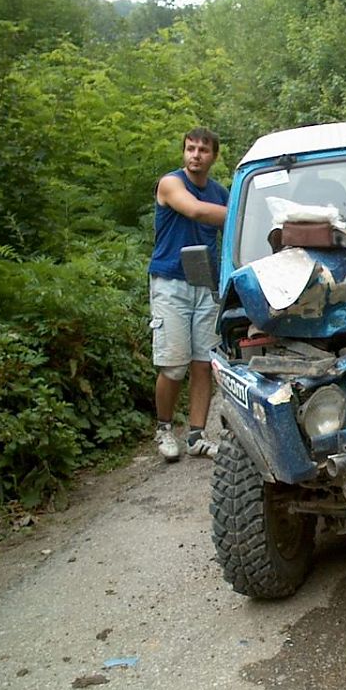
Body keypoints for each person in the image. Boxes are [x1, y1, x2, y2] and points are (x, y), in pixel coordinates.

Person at [149, 127, 229, 462]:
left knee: (202, 364)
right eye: (190, 148)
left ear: (214, 156)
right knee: (173, 366)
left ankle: (197, 436)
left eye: (203, 150)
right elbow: (195, 210)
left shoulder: (220, 192)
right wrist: (249, 213)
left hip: (205, 284)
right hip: (170, 282)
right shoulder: (171, 183)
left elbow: (235, 236)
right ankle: (164, 428)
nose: (195, 155)